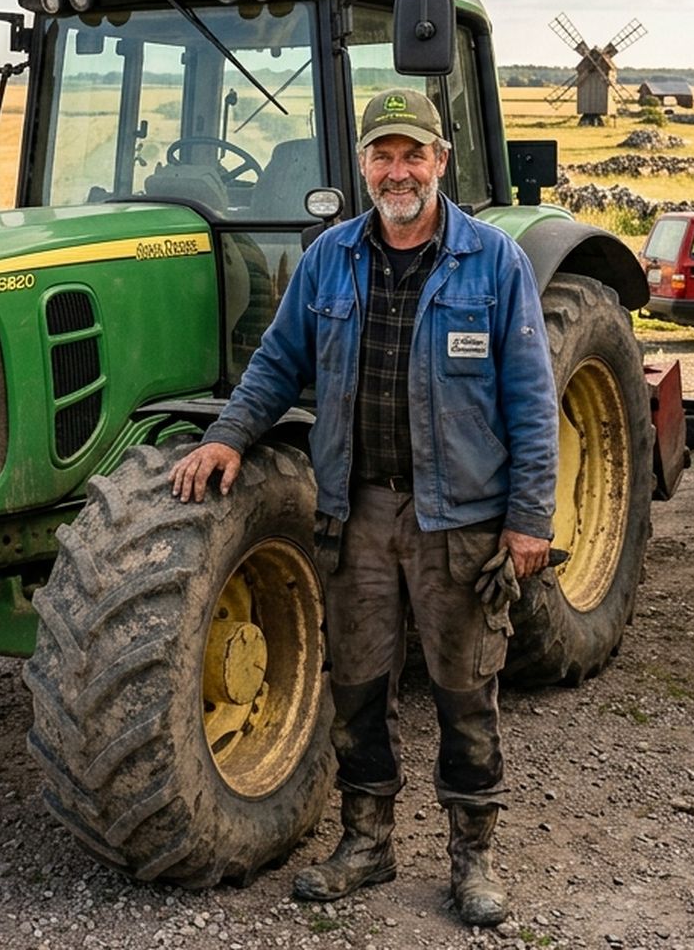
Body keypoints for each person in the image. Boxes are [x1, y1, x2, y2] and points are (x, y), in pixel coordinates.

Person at [170, 86, 557, 927]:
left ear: (439, 162)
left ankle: (473, 856)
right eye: (382, 154)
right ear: (365, 166)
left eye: (412, 153)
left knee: (464, 685)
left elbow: (531, 401)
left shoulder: (493, 262)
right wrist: (229, 435)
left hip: (458, 520)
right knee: (358, 683)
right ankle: (368, 840)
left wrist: (530, 518)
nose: (397, 170)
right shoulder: (329, 260)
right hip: (359, 513)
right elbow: (277, 362)